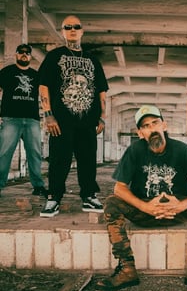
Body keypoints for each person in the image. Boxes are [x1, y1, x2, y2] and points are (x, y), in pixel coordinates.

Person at [96, 105, 187, 291]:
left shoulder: (182, 150)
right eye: (146, 126)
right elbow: (119, 189)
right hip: (144, 212)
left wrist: (182, 205)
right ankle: (126, 268)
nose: (152, 128)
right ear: (140, 133)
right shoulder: (134, 151)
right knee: (111, 203)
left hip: (177, 211)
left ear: (164, 125)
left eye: (155, 123)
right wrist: (145, 207)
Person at [38, 15, 108, 217]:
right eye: (67, 27)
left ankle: (89, 195)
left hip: (87, 121)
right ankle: (54, 197)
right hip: (61, 121)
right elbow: (44, 86)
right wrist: (48, 115)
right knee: (60, 160)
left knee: (87, 159)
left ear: (82, 30)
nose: (72, 30)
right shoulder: (54, 56)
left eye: (76, 27)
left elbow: (101, 90)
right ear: (62, 31)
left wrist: (102, 116)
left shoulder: (92, 60)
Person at [0, 44, 47, 198]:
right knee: (4, 153)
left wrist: (48, 114)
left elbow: (44, 95)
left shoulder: (36, 75)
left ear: (30, 56)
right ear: (16, 54)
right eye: (21, 52)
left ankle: (38, 186)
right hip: (11, 118)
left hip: (32, 119)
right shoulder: (7, 72)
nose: (24, 55)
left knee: (35, 154)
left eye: (27, 53)